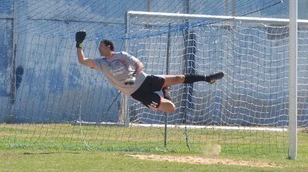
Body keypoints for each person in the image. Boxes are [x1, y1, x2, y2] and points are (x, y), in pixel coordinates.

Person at [75, 30, 224, 113]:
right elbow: (82, 60)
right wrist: (79, 44)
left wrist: (134, 75)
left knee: (179, 77)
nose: (98, 48)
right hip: (138, 93)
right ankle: (165, 92)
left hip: (145, 80)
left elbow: (140, 65)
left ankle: (207, 78)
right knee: (171, 108)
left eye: (101, 46)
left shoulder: (122, 55)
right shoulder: (101, 64)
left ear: (109, 47)